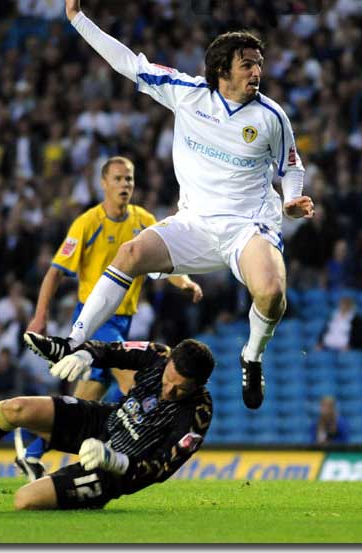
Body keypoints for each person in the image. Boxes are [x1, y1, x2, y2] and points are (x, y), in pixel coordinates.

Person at [25, 0, 314, 412]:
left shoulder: (271, 116)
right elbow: (127, 62)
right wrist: (77, 19)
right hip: (194, 224)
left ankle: (251, 356)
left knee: (270, 294)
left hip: (247, 228)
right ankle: (72, 340)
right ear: (222, 70)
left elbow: (292, 167)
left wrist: (290, 201)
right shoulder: (186, 94)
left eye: (259, 64)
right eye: (247, 64)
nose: (257, 72)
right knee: (131, 252)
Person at [17, 156, 203, 481]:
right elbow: (55, 272)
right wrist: (40, 317)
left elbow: (166, 260)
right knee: (133, 383)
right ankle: (129, 456)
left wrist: (185, 282)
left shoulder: (144, 220)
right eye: (117, 179)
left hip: (124, 321)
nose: (124, 185)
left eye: (129, 179)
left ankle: (31, 448)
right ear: (103, 183)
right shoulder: (87, 223)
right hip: (96, 320)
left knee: (83, 402)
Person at [0, 337, 214, 511]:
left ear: (199, 385)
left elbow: (161, 469)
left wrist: (113, 460)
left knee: (25, 500)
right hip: (105, 420)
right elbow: (109, 350)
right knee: (16, 407)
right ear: (169, 363)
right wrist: (85, 356)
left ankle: (77, 488)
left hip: (116, 470)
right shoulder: (158, 355)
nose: (169, 390)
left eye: (180, 389)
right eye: (169, 380)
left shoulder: (198, 415)